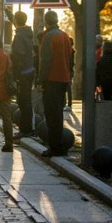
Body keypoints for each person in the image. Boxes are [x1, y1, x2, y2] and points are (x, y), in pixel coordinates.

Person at [37, 10, 72, 157]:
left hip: (51, 79)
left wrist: (40, 80)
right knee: (58, 113)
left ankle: (54, 146)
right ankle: (59, 145)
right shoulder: (65, 36)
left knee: (51, 114)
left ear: (46, 22)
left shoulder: (48, 36)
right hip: (63, 78)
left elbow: (45, 60)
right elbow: (69, 56)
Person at [6, 9, 35, 138]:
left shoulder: (19, 36)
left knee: (23, 102)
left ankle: (25, 129)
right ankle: (28, 127)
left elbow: (18, 55)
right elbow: (15, 19)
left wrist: (10, 58)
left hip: (22, 72)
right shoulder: (28, 32)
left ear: (16, 22)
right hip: (30, 70)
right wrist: (7, 10)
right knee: (26, 100)